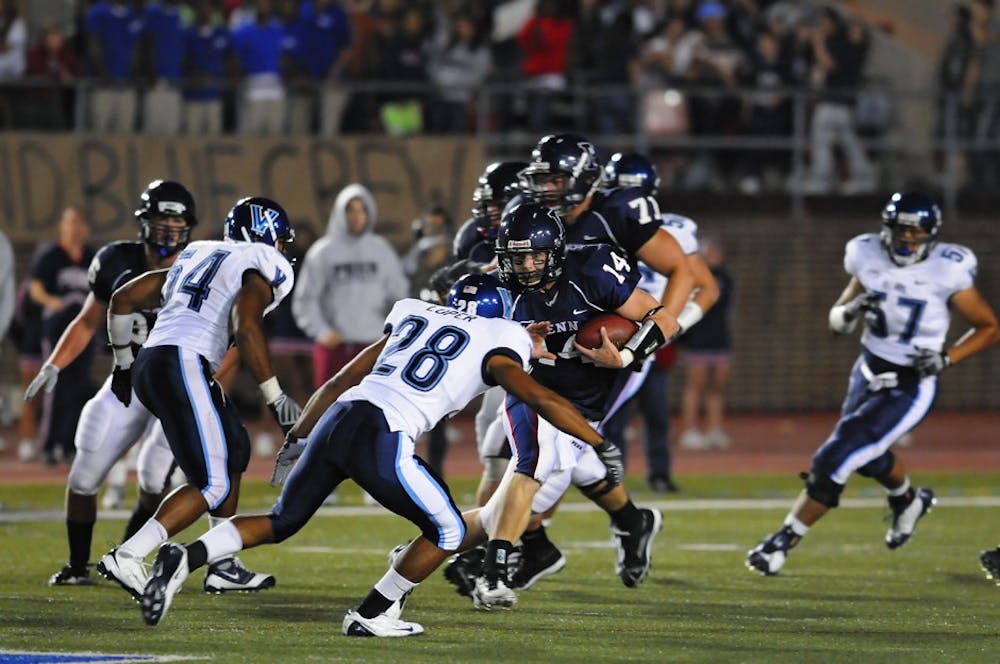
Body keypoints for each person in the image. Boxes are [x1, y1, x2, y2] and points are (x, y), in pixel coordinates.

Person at [136, 272, 620, 635]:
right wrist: (600, 443)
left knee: (283, 520)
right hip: (383, 432)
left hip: (341, 416)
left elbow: (339, 380)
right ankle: (373, 612)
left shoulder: (418, 315)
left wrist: (299, 436)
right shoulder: (499, 339)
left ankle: (186, 555)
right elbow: (542, 399)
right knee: (449, 530)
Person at [747, 192, 999, 576]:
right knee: (866, 457)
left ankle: (782, 541)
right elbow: (837, 323)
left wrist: (947, 357)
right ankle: (907, 500)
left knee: (835, 456)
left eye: (916, 232)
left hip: (910, 383)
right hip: (866, 371)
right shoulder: (867, 255)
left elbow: (988, 326)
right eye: (901, 230)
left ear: (931, 234)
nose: (907, 239)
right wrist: (850, 311)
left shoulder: (948, 269)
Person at [465, 202, 672, 609]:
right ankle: (494, 566)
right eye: (517, 258)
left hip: (586, 398)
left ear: (555, 253)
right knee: (524, 465)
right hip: (532, 391)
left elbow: (664, 318)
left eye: (535, 256)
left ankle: (627, 523)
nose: (526, 267)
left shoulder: (592, 270)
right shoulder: (498, 291)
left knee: (526, 498)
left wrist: (625, 355)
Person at [95, 196, 301, 601]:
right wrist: (276, 398)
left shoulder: (198, 252)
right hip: (184, 363)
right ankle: (128, 555)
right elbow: (246, 327)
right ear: (266, 235)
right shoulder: (261, 261)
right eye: (280, 240)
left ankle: (223, 567)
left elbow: (123, 299)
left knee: (235, 447)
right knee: (212, 483)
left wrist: (122, 365)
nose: (281, 249)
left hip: (153, 362)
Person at [599, 152, 720, 491]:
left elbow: (707, 288)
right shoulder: (600, 225)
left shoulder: (673, 230)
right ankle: (609, 482)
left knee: (653, 412)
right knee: (611, 416)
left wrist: (673, 325)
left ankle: (657, 475)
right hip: (612, 331)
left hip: (651, 331)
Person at [292, 182, 408, 391]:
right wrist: (322, 331)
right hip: (335, 348)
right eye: (350, 210)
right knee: (328, 408)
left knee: (373, 406)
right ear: (340, 212)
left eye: (362, 210)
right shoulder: (322, 252)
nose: (357, 216)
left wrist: (393, 333)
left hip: (374, 346)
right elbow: (305, 300)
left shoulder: (381, 250)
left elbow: (399, 295)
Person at [28, 207, 96, 465]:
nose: (75, 228)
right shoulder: (51, 256)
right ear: (61, 226)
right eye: (70, 222)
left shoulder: (92, 257)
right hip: (58, 330)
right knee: (55, 385)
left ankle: (69, 444)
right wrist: (52, 301)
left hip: (86, 332)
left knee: (79, 388)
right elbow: (35, 289)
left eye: (79, 222)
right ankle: (49, 444)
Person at [678, 236, 734, 451]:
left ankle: (714, 430)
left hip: (720, 340)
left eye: (717, 252)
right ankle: (689, 430)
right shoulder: (692, 279)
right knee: (695, 386)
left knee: (718, 387)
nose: (714, 257)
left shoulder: (726, 279)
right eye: (710, 253)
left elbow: (725, 306)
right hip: (698, 340)